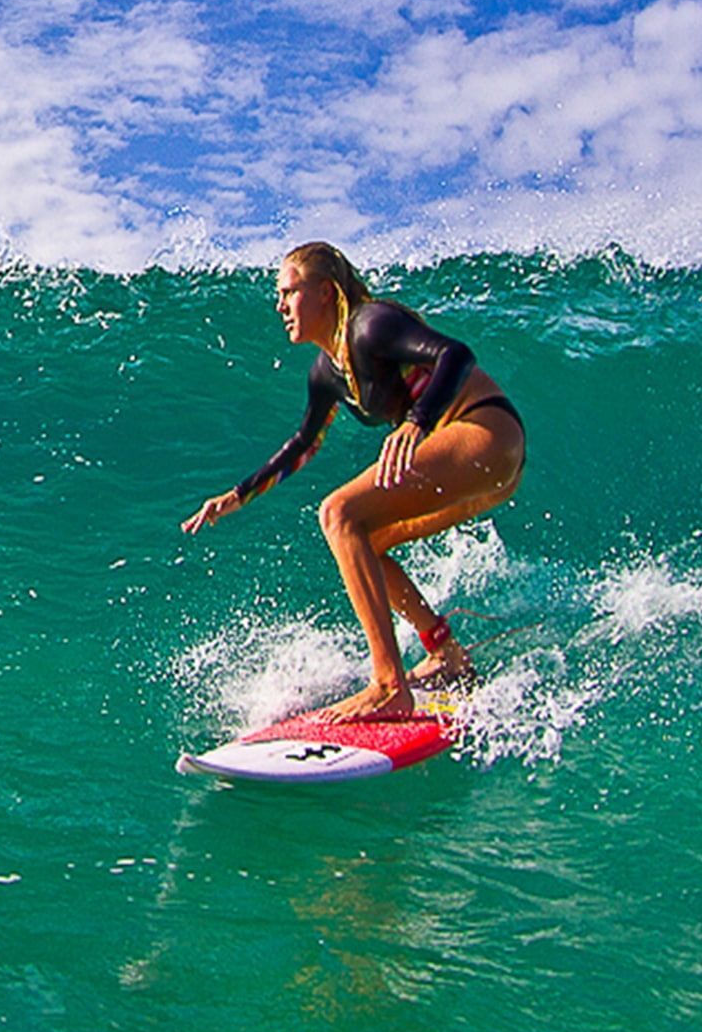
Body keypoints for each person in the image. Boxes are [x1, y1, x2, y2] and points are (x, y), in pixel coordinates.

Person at [182, 242, 525, 723]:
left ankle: (389, 686)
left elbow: (457, 354)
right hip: (474, 460)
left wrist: (417, 422)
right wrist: (237, 496)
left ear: (325, 292)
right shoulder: (328, 370)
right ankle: (445, 652)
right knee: (367, 543)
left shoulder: (372, 324)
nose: (280, 305)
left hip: (486, 433)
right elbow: (304, 443)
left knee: (338, 513)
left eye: (289, 291)